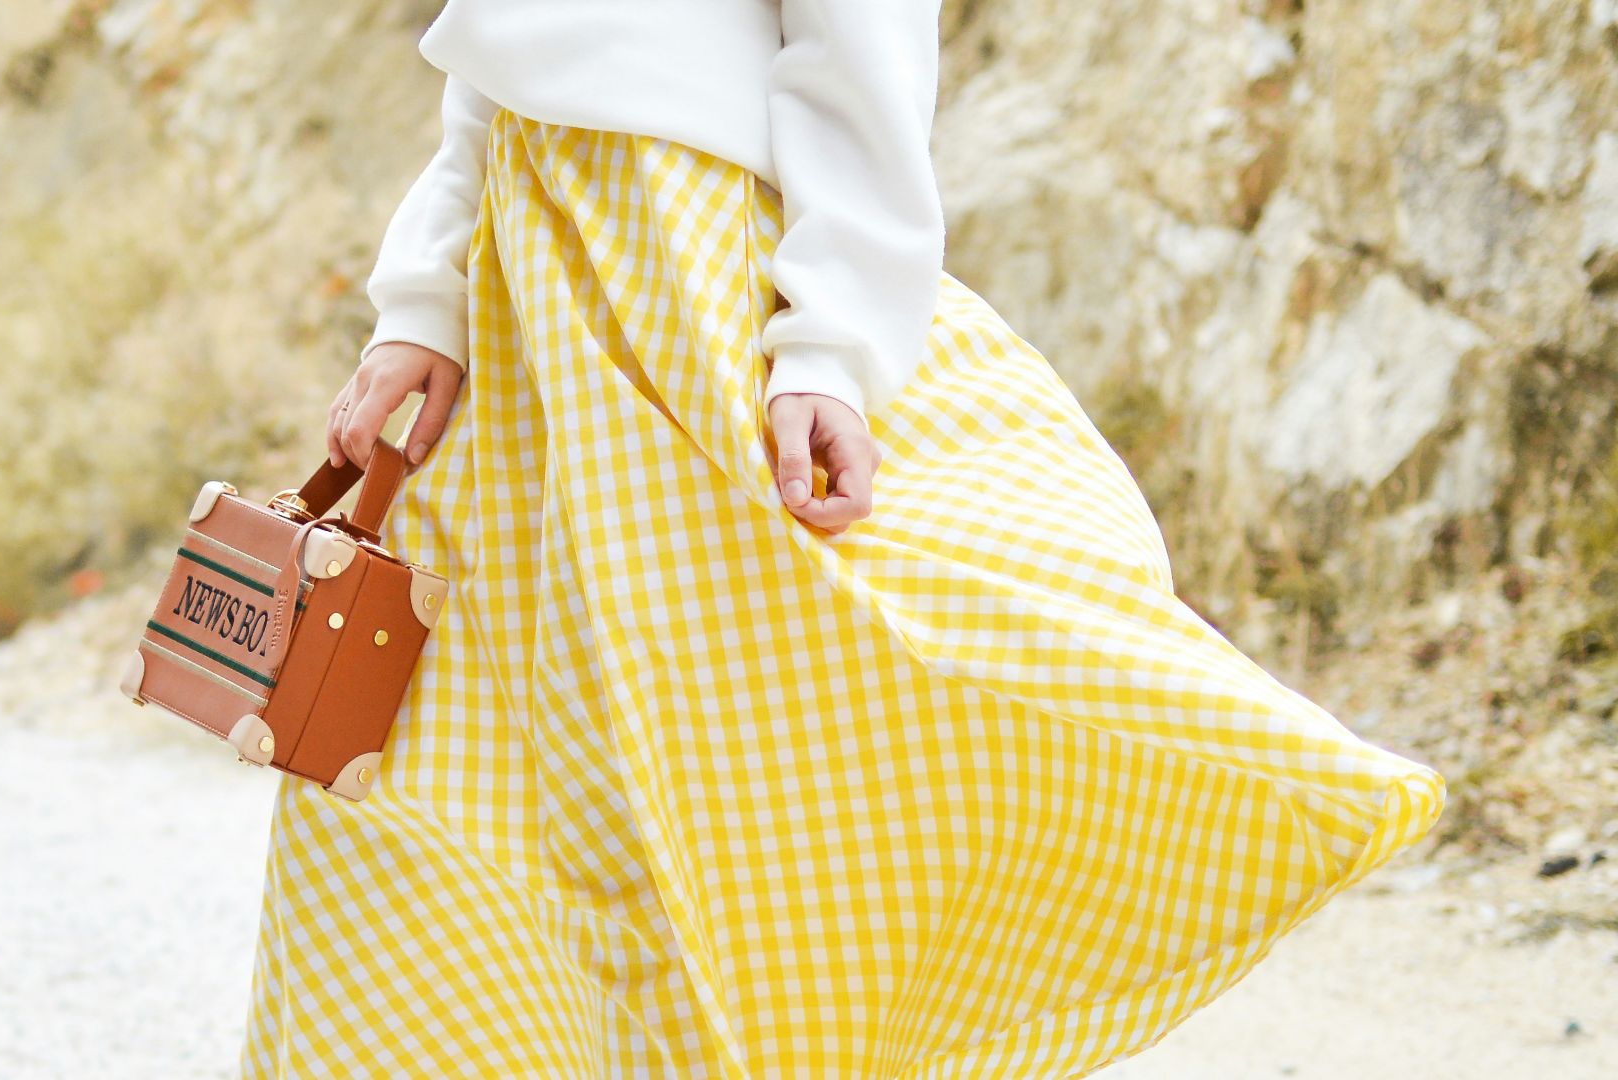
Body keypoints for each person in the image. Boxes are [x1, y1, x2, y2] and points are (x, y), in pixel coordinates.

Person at [239, 2, 1447, 1076]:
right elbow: (493, 60)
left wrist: (829, 344)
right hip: (522, 299)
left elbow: (861, 52)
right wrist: (428, 299)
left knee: (703, 754)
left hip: (679, 279)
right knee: (436, 752)